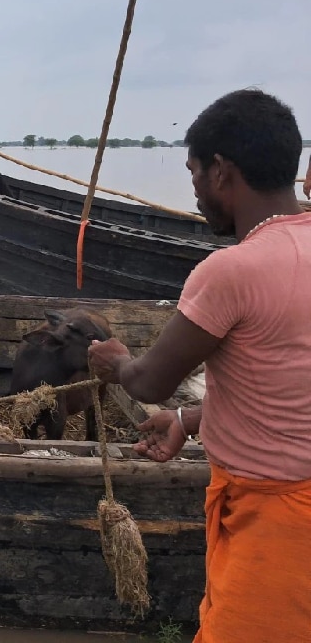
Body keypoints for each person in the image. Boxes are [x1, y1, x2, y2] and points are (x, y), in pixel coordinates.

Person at [87, 88, 311, 643]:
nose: (193, 191)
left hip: (274, 522)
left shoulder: (231, 271)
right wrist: (189, 422)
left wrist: (116, 362)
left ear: (220, 172)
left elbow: (151, 380)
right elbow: (285, 380)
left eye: (192, 172)